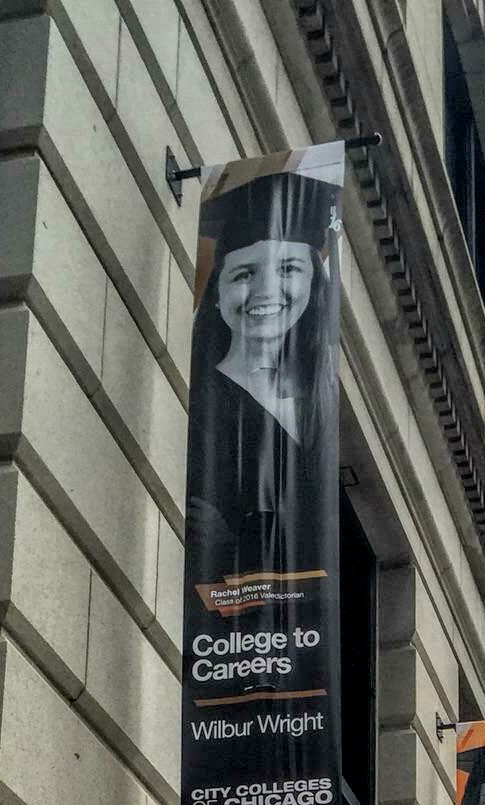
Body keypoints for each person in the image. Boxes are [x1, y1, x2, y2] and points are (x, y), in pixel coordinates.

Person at [185, 165, 340, 661]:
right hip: (228, 641)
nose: (267, 291)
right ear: (217, 295)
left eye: (289, 269)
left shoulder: (317, 407)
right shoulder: (204, 401)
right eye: (244, 273)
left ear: (314, 284)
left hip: (299, 647)